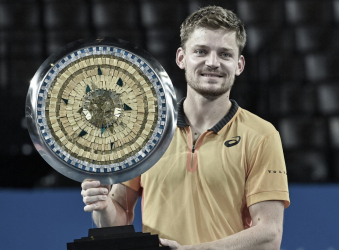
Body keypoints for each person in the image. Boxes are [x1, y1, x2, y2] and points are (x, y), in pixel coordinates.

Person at [81, 5, 290, 250]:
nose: (213, 63)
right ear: (181, 58)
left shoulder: (262, 135)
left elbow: (269, 236)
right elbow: (116, 221)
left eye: (225, 54)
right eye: (201, 51)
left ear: (239, 64)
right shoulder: (147, 132)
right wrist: (104, 207)